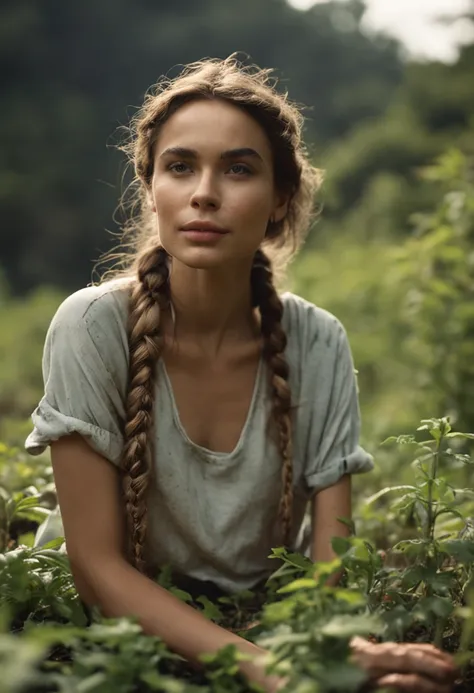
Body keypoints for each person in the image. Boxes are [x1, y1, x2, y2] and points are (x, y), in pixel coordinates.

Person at [25, 56, 456, 693]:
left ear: (280, 197)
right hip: (104, 637)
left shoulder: (318, 341)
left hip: (262, 625)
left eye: (238, 168)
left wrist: (330, 650)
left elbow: (326, 567)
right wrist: (270, 669)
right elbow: (94, 567)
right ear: (150, 190)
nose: (205, 191)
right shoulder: (91, 325)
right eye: (180, 166)